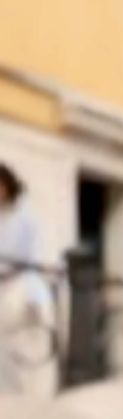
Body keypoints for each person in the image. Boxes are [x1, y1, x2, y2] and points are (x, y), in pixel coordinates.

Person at [0, 162, 51, 394]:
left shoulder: (24, 218)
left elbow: (32, 257)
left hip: (21, 289)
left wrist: (33, 296)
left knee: (24, 350)